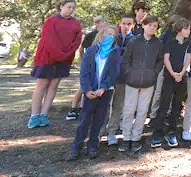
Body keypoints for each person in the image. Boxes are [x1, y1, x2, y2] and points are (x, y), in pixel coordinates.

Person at [67, 25, 120, 161]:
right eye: (107, 34)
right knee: (84, 120)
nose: (109, 37)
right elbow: (84, 73)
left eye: (112, 35)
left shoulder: (115, 52)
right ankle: (76, 148)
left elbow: (114, 73)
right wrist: (87, 90)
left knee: (99, 120)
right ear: (101, 35)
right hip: (90, 91)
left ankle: (93, 146)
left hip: (105, 91)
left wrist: (103, 87)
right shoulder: (91, 51)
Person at [28, 0, 82, 129]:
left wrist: (67, 54)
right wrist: (59, 54)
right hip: (47, 57)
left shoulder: (76, 23)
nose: (71, 10)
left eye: (73, 8)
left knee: (54, 85)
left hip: (65, 59)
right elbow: (48, 39)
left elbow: (77, 40)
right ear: (61, 6)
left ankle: (44, 114)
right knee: (42, 84)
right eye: (68, 7)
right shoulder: (51, 21)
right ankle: (34, 115)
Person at [119, 15, 164, 153]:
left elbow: (160, 61)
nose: (152, 28)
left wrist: (153, 73)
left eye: (155, 26)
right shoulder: (134, 41)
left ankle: (136, 138)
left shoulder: (158, 43)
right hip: (132, 81)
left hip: (148, 82)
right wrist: (129, 73)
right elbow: (125, 59)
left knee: (143, 111)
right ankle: (126, 138)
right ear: (143, 25)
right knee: (128, 110)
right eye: (149, 25)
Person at [151, 17, 191, 148]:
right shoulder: (170, 43)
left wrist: (182, 72)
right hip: (169, 77)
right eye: (186, 28)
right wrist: (173, 73)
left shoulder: (188, 44)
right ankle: (157, 133)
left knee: (177, 106)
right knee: (164, 104)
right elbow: (166, 59)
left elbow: (188, 59)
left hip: (182, 78)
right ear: (179, 30)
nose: (188, 31)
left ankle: (172, 132)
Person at [66, 16, 107, 121]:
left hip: (100, 65)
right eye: (99, 23)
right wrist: (83, 60)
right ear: (96, 24)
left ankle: (86, 109)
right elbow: (82, 49)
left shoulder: (107, 35)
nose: (101, 24)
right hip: (89, 64)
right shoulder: (90, 35)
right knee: (83, 87)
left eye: (103, 22)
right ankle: (74, 108)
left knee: (96, 86)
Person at [106, 13, 136, 146]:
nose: (126, 26)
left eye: (129, 24)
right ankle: (100, 131)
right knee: (105, 105)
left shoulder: (135, 40)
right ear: (120, 23)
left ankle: (112, 131)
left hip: (123, 78)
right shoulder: (112, 38)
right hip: (108, 77)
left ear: (133, 25)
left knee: (118, 105)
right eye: (124, 23)